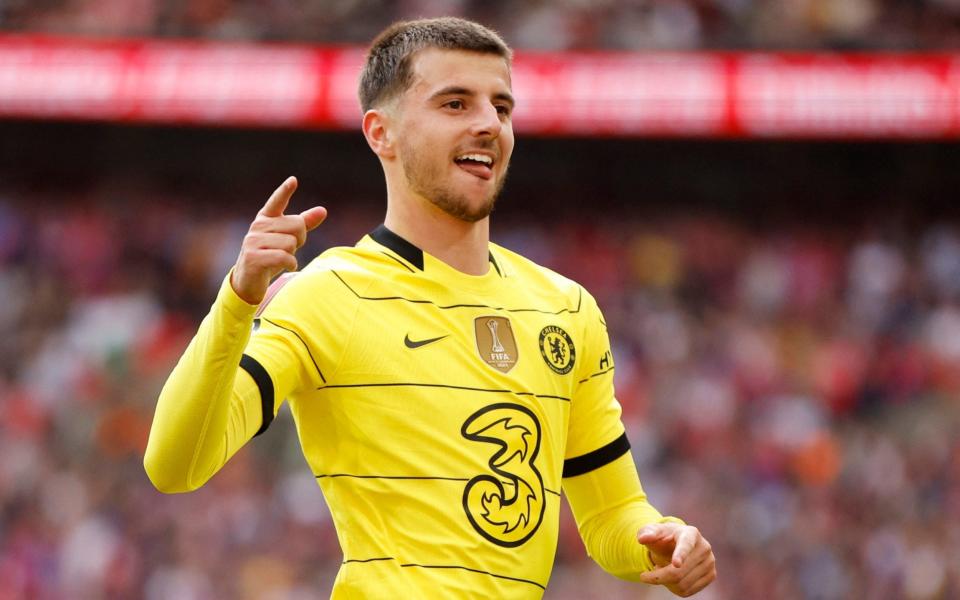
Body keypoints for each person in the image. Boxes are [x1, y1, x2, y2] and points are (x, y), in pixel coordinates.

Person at [144, 17, 716, 598]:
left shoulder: (566, 309)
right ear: (381, 133)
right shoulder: (329, 295)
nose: (488, 124)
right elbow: (175, 464)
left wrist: (660, 539)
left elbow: (610, 516)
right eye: (455, 104)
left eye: (501, 106)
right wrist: (238, 299)